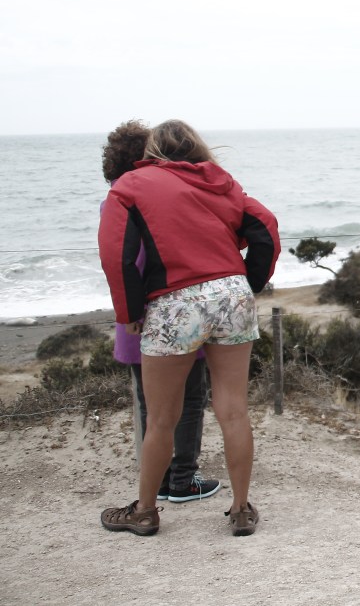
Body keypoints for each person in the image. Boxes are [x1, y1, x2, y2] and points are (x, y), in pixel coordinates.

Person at [98, 120, 280, 536]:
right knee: (233, 409)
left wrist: (130, 311)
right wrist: (248, 282)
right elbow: (265, 226)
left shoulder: (131, 185)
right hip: (231, 295)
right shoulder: (222, 183)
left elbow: (116, 254)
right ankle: (241, 510)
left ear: (153, 150)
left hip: (174, 302)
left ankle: (145, 512)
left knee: (162, 418)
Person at [101, 120, 220, 504]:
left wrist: (129, 312)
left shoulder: (112, 201)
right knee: (190, 398)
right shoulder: (161, 200)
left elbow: (118, 264)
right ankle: (183, 479)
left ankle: (160, 479)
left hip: (131, 316)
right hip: (172, 309)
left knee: (149, 403)